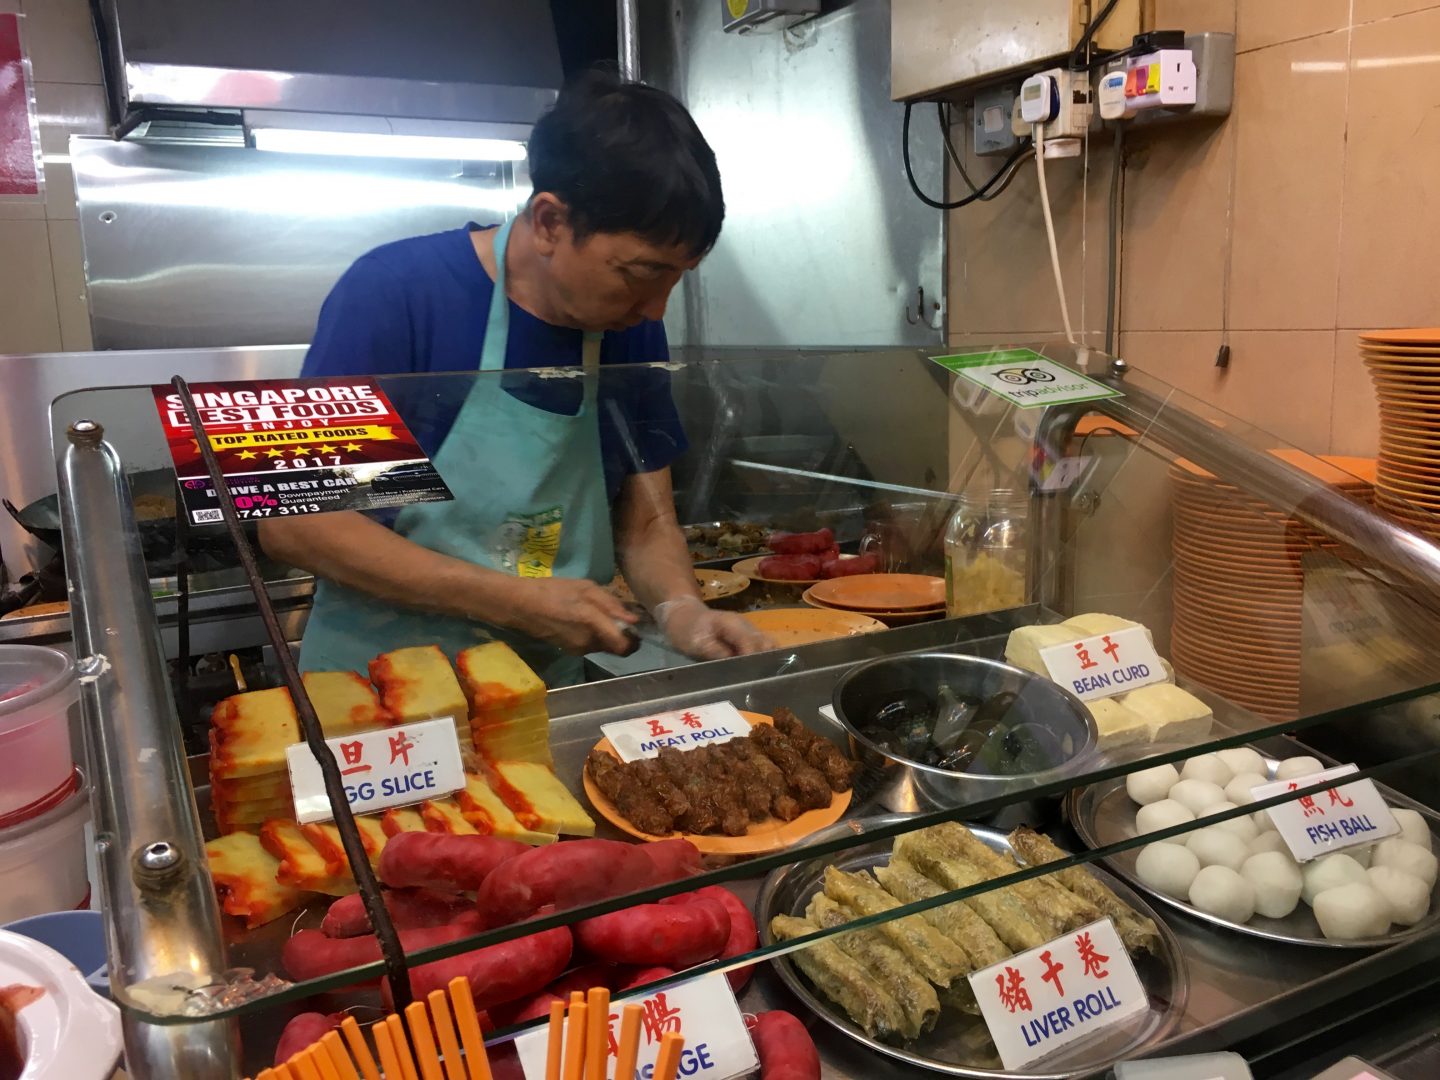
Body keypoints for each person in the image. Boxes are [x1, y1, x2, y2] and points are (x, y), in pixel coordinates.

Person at [259, 72, 770, 684]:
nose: (657, 307)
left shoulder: (627, 324)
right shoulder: (395, 292)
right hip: (381, 693)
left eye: (677, 277)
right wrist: (512, 600)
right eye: (639, 272)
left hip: (536, 691)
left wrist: (681, 607)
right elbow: (294, 523)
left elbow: (649, 519)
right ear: (550, 221)